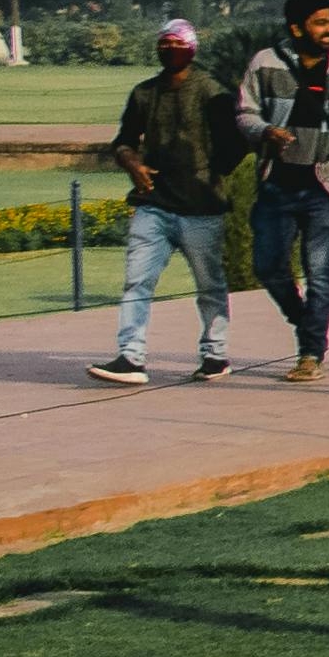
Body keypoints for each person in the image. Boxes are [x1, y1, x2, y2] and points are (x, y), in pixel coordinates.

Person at [87, 21, 247, 386]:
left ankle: (215, 354)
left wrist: (211, 174)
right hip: (154, 202)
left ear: (191, 48)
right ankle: (131, 356)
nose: (169, 49)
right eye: (164, 43)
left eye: (177, 43)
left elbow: (235, 143)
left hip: (201, 205)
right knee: (137, 281)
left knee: (209, 284)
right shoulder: (145, 93)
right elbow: (124, 140)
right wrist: (132, 164)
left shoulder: (211, 92)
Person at [235, 0, 329, 384]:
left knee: (319, 272)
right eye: (320, 22)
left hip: (324, 185)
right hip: (277, 182)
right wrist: (265, 130)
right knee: (267, 266)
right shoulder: (266, 63)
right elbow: (245, 112)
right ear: (297, 27)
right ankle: (304, 323)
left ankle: (311, 352)